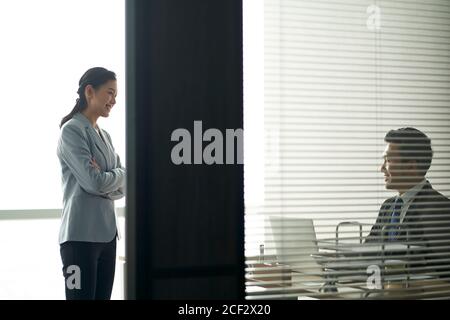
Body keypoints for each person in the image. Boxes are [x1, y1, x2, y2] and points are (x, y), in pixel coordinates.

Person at [57, 67, 126, 300]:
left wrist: (112, 177)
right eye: (110, 93)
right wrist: (114, 177)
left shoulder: (104, 136)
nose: (114, 100)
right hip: (79, 239)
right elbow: (94, 182)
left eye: (115, 95)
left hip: (107, 236)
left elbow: (125, 185)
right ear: (89, 91)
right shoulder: (72, 130)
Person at [365, 127, 450, 279]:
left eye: (388, 160)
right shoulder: (388, 206)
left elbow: (441, 273)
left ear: (411, 166)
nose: (382, 168)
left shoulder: (440, 209)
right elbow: (367, 252)